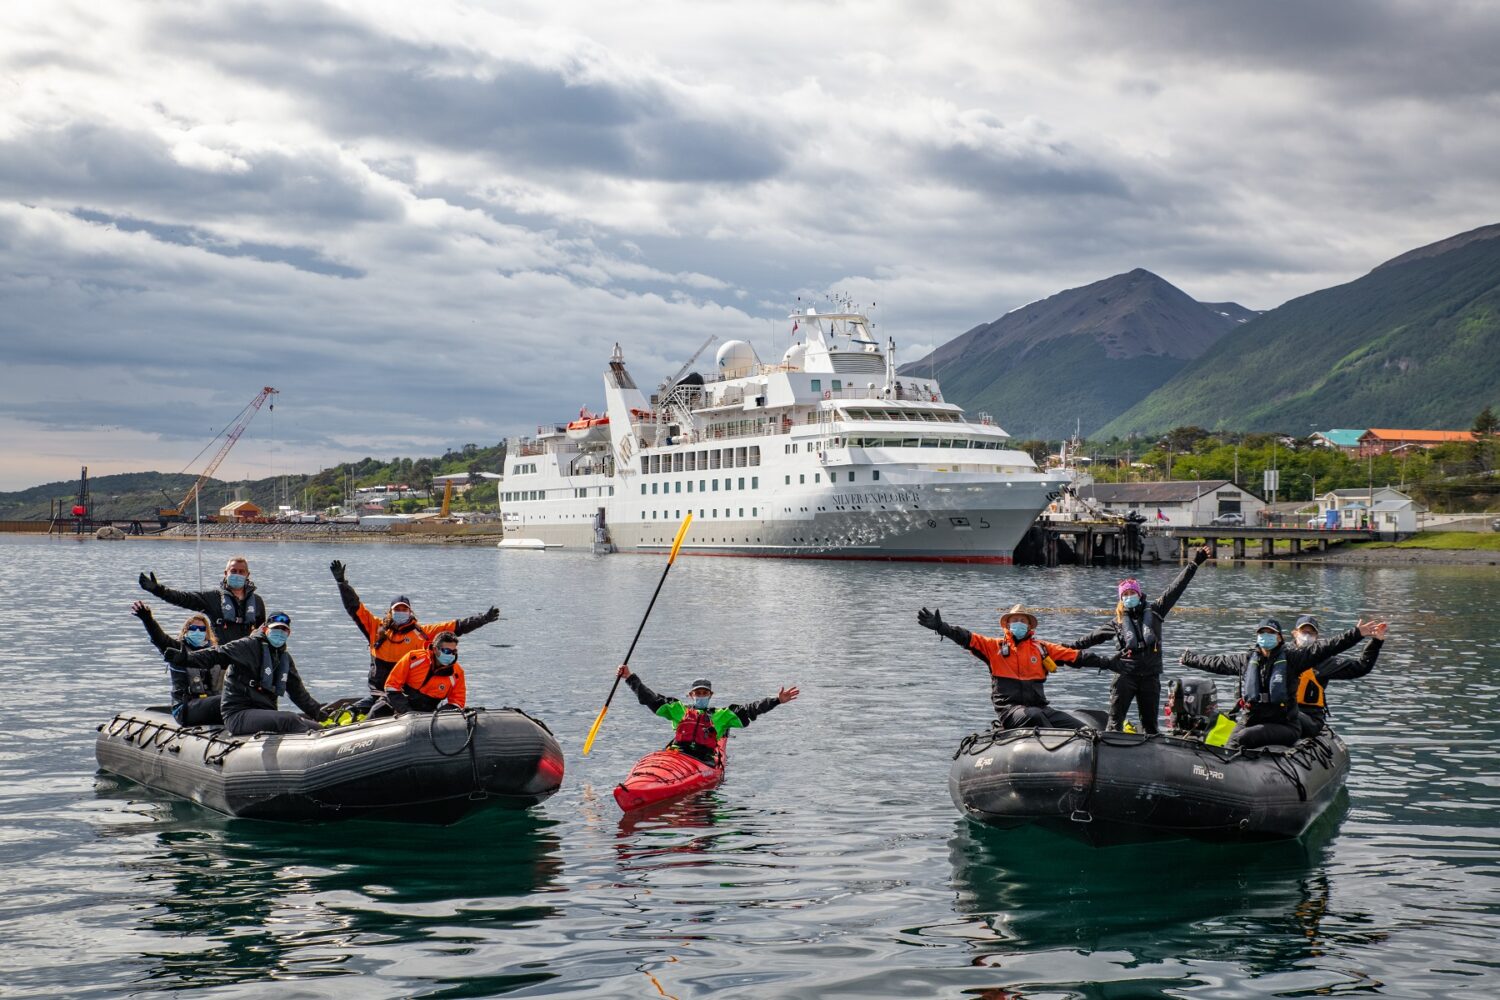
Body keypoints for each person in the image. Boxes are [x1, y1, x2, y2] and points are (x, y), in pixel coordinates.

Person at [1179, 616, 1384, 749]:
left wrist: (1357, 634)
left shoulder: (1295, 660)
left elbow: (1330, 647)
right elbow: (1217, 663)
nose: (1266, 637)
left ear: (1279, 637)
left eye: (1271, 634)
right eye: (1262, 634)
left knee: (1241, 739)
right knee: (1230, 741)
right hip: (1254, 717)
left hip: (1284, 722)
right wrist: (1189, 658)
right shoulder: (1247, 660)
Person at [1069, 545, 1211, 734]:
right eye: (1125, 595)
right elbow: (1088, 640)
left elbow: (1176, 588)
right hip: (1125, 677)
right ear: (1121, 599)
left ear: (1139, 594)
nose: (1129, 597)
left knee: (1150, 726)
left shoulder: (1156, 611)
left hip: (1150, 678)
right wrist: (1064, 649)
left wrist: (1194, 564)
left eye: (1132, 593)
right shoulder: (1116, 622)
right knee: (1114, 723)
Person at [329, 560, 499, 712]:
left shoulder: (423, 633)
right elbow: (355, 607)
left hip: (406, 696)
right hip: (381, 693)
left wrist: (483, 619)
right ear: (390, 612)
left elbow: (457, 627)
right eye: (397, 609)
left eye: (404, 609)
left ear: (410, 612)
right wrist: (342, 583)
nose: (401, 613)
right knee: (356, 713)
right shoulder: (375, 628)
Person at [918, 604, 1121, 730]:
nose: (1018, 624)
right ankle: (1057, 749)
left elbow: (1077, 656)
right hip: (1010, 710)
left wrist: (1109, 663)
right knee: (1033, 716)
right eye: (1014, 621)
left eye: (1022, 621)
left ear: (1029, 626)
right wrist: (941, 627)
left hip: (1040, 708)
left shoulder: (1042, 649)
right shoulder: (993, 647)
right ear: (1007, 625)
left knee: (1080, 728)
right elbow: (966, 637)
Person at [171, 612, 330, 735]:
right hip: (238, 714)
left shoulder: (284, 659)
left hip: (262, 712)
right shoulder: (247, 646)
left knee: (317, 727)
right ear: (266, 629)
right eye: (276, 629)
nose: (280, 633)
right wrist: (185, 658)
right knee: (289, 719)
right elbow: (216, 654)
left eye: (284, 630)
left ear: (289, 633)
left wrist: (321, 715)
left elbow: (299, 694)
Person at [615, 666, 798, 763]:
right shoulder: (678, 709)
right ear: (691, 695)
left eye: (704, 693)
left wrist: (777, 700)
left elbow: (752, 709)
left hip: (704, 760)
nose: (701, 696)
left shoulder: (722, 715)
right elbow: (651, 699)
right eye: (697, 693)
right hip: (678, 756)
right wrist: (630, 677)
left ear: (711, 695)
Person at [1289, 614, 1388, 735]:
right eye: (1304, 632)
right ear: (1295, 633)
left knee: (1286, 714)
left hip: (1309, 716)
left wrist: (1376, 642)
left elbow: (1361, 667)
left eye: (1311, 633)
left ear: (1316, 636)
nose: (1307, 636)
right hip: (1286, 710)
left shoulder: (1323, 662)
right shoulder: (1284, 656)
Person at [131, 600, 224, 726]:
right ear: (186, 630)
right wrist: (147, 619)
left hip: (209, 704)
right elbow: (160, 638)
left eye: (202, 629)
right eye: (194, 628)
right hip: (186, 707)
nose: (198, 631)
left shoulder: (215, 652)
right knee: (222, 701)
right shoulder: (177, 649)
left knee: (235, 699)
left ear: (207, 632)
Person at [138, 556, 266, 643]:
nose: (237, 574)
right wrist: (158, 590)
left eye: (241, 572)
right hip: (221, 659)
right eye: (233, 571)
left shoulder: (257, 602)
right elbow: (183, 598)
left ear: (247, 575)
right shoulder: (213, 598)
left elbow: (263, 633)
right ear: (225, 574)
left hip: (247, 661)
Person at [368, 631, 466, 717]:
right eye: (447, 651)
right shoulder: (413, 658)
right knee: (378, 710)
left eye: (454, 651)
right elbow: (391, 686)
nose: (451, 655)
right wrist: (408, 712)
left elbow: (457, 702)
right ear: (436, 649)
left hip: (426, 714)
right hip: (397, 704)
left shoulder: (457, 673)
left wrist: (438, 716)